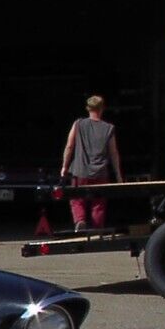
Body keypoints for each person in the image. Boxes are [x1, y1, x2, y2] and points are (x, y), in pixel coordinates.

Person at [59, 95, 123, 231]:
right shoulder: (109, 128)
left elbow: (69, 146)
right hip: (101, 172)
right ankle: (97, 227)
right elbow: (113, 152)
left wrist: (65, 166)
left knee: (77, 199)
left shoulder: (78, 124)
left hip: (80, 171)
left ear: (88, 108)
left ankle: (80, 220)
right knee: (98, 202)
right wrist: (118, 175)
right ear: (102, 109)